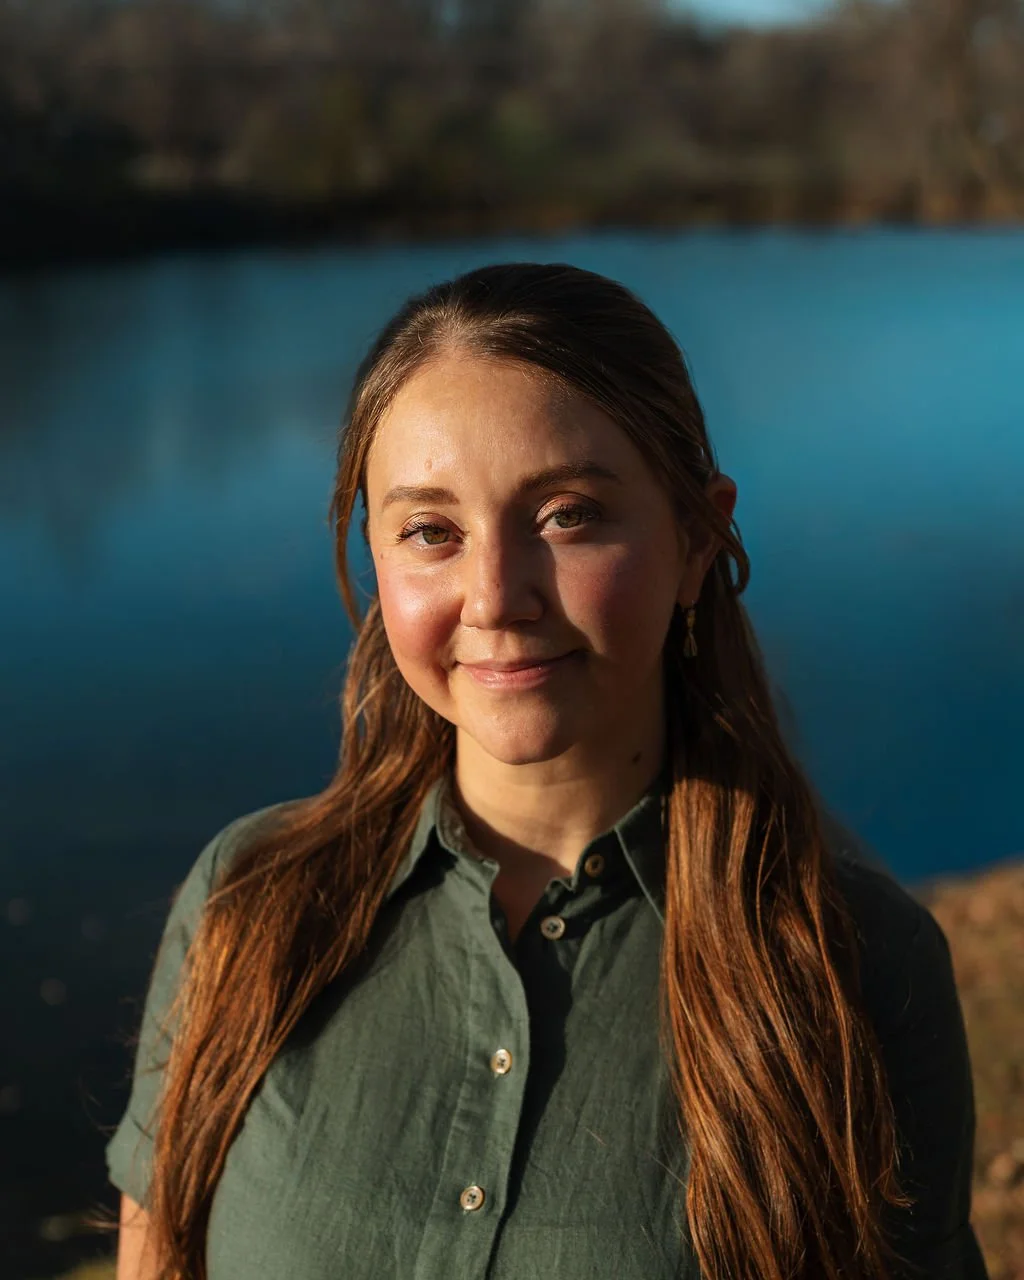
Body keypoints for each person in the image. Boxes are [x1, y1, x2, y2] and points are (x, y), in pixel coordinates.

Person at [99, 262, 987, 1280]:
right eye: (431, 531)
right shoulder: (246, 899)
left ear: (697, 536)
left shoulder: (851, 965)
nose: (495, 595)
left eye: (567, 515)